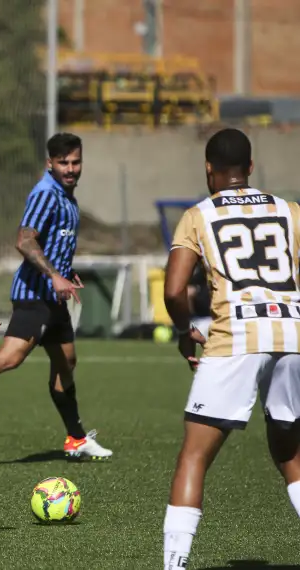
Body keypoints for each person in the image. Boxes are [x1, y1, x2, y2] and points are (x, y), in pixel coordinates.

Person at [162, 127, 300, 569]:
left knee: (194, 456)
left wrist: (185, 330)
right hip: (293, 334)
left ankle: (173, 565)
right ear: (251, 167)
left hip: (237, 337)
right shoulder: (290, 211)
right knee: (290, 451)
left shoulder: (198, 215)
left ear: (209, 169)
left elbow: (173, 289)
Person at [0, 132, 113, 460]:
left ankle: (76, 438)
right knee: (10, 357)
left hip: (54, 297)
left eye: (76, 162)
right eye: (63, 163)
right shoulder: (46, 193)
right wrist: (54, 274)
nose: (71, 168)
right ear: (50, 163)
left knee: (66, 361)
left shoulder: (66, 195)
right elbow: (24, 240)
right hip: (35, 294)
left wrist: (64, 270)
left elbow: (50, 243)